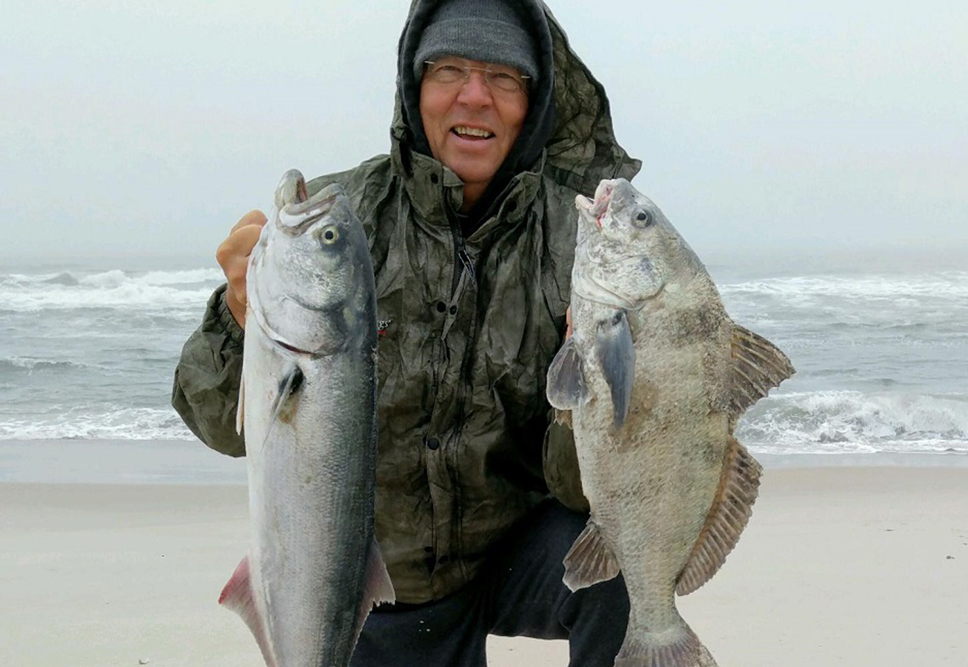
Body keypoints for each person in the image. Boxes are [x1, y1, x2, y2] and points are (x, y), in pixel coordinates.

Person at [172, 0, 641, 665]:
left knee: (615, 561)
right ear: (412, 87)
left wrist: (592, 387)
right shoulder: (342, 222)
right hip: (363, 579)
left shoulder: (575, 248)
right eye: (449, 69)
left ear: (531, 102)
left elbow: (578, 491)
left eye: (503, 77)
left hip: (504, 558)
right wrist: (239, 317)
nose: (474, 96)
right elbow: (216, 424)